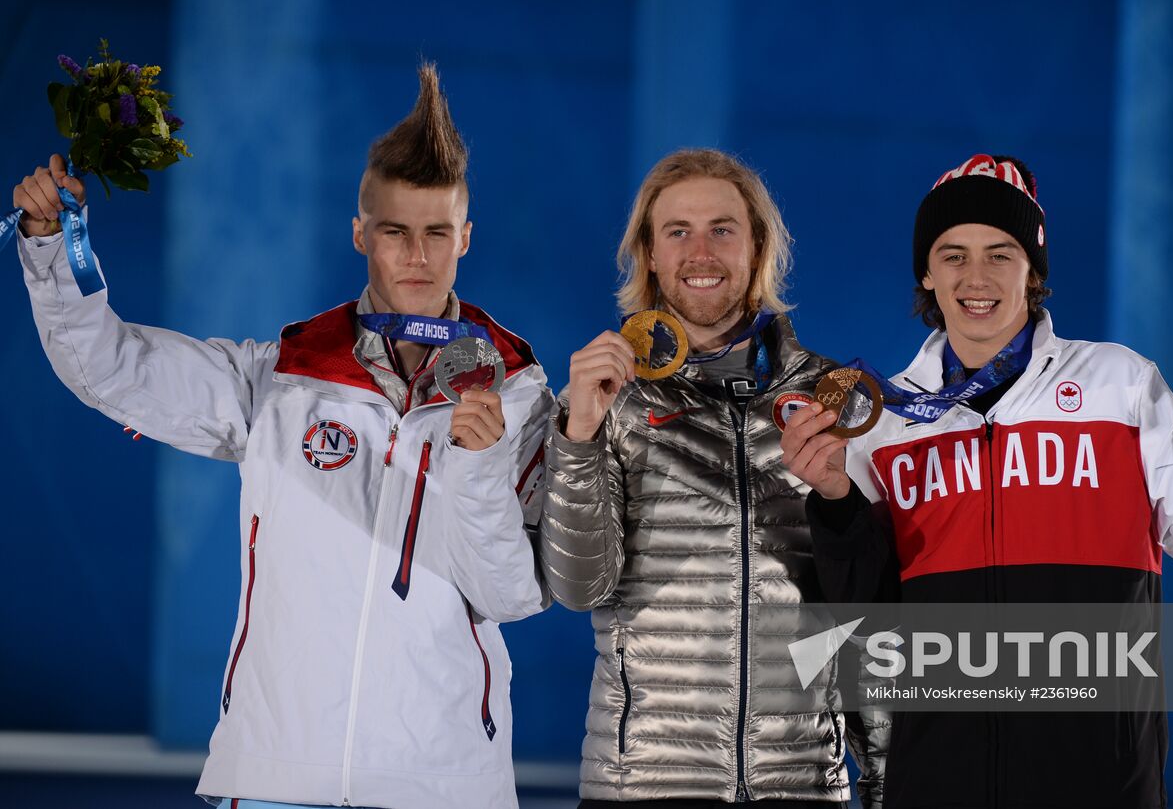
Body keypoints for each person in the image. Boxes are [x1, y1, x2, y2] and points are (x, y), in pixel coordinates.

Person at [13, 64, 552, 809]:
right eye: (395, 232)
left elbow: (516, 594)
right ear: (361, 233)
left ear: (466, 236)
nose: (418, 257)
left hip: (444, 781)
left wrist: (481, 464)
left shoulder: (518, 388)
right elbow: (113, 369)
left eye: (436, 234)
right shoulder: (284, 377)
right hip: (276, 775)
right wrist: (53, 249)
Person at [778, 153, 1173, 808]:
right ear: (926, 274)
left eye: (1001, 252)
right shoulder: (881, 419)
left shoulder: (1120, 384)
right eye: (953, 254)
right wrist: (836, 499)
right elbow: (864, 626)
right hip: (936, 781)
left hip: (1099, 783)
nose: (976, 276)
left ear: (1033, 271)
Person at [540, 148, 885, 807]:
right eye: (678, 232)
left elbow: (865, 615)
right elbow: (581, 587)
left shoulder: (832, 400)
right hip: (644, 786)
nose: (701, 251)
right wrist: (578, 437)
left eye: (722, 229)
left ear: (758, 249)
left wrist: (885, 778)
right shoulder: (609, 399)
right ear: (648, 254)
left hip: (803, 786)